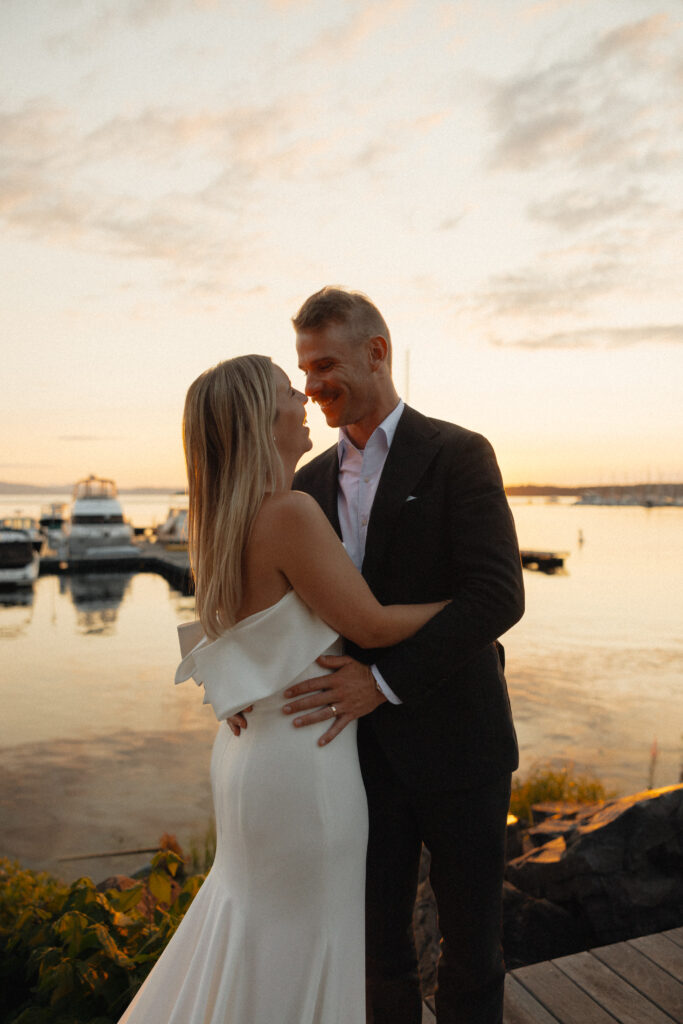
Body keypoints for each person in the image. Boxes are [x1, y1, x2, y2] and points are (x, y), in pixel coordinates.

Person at [117, 354, 447, 1024]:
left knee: (256, 937)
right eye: (284, 390)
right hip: (304, 767)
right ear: (258, 419)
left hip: (252, 755)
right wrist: (464, 604)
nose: (302, 399)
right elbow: (373, 626)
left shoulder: (221, 521)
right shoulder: (289, 512)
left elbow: (229, 640)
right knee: (303, 949)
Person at [280, 287, 525, 1024]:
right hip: (356, 758)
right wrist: (246, 691)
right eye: (303, 369)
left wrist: (381, 682)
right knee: (374, 950)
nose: (312, 384)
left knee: (472, 948)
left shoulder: (458, 453)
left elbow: (497, 597)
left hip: (462, 748)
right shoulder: (307, 482)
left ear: (375, 352)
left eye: (324, 363)